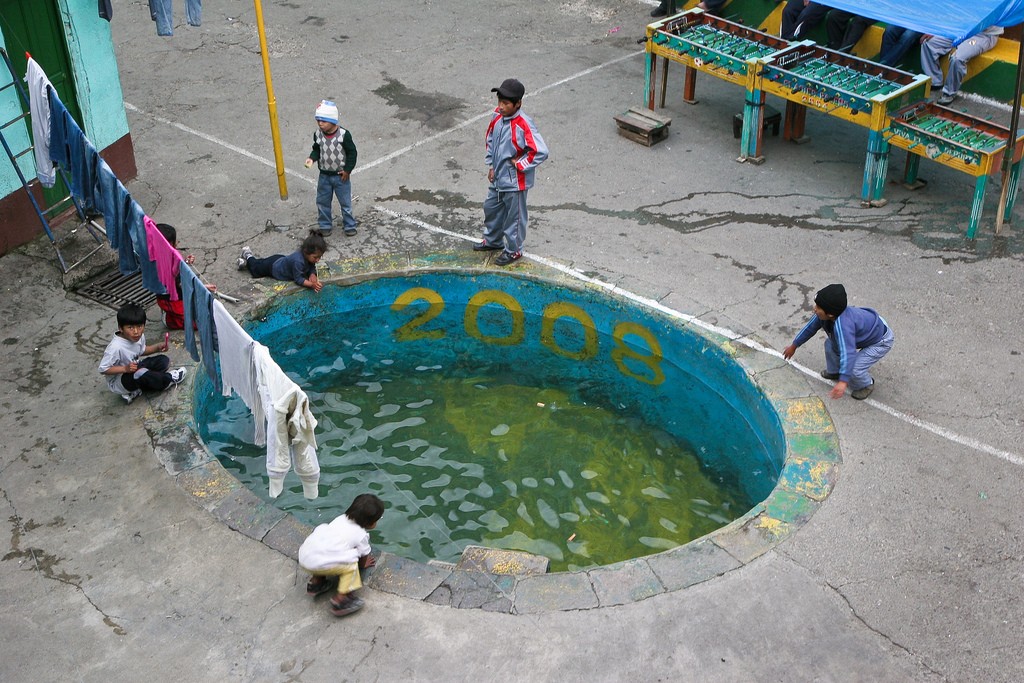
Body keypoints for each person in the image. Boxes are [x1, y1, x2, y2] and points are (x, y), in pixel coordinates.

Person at [473, 78, 548, 266]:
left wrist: (520, 164)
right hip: (498, 177)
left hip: (515, 182)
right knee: (491, 209)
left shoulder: (524, 124)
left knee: (514, 218)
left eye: (506, 103)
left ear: (518, 104)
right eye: (499, 102)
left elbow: (540, 151)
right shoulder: (497, 117)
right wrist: (491, 165)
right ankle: (492, 241)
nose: (501, 106)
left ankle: (514, 250)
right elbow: (490, 139)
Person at [782, 284, 894, 400]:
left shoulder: (844, 326)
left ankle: (866, 385)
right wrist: (794, 345)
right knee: (830, 344)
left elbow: (848, 353)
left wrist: (844, 381)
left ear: (830, 314)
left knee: (854, 368)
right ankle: (835, 371)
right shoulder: (825, 315)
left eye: (819, 307)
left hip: (880, 341)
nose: (814, 308)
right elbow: (809, 328)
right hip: (869, 329)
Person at [298, 493, 385, 617]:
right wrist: (363, 563)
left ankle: (316, 582)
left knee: (325, 551)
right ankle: (341, 600)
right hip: (320, 563)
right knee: (351, 566)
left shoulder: (340, 519)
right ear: (370, 523)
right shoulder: (361, 534)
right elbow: (364, 553)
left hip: (305, 556)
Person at [99, 302, 187, 404]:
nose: (136, 331)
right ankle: (168, 380)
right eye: (130, 327)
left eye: (140, 326)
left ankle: (141, 385)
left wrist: (157, 348)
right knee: (141, 373)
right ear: (120, 328)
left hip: (135, 368)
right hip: (119, 380)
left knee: (163, 361)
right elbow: (103, 369)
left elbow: (141, 350)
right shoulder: (115, 347)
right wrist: (125, 369)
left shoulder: (138, 336)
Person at [305, 100, 358, 236]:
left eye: (324, 121)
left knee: (345, 203)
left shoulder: (344, 135)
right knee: (322, 202)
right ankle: (325, 225)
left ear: (333, 121)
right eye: (318, 120)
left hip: (341, 176)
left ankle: (349, 225)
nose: (320, 124)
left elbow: (352, 153)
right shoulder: (318, 135)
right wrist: (312, 158)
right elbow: (317, 149)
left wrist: (347, 170)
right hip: (324, 176)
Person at [154, 223, 216, 329]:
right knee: (200, 322)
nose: (177, 243)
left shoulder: (162, 255)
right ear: (169, 245)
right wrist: (203, 287)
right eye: (175, 242)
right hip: (171, 301)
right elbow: (184, 285)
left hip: (178, 295)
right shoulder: (165, 266)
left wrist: (185, 262)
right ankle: (170, 320)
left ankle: (176, 315)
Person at [921, 25, 1003, 105]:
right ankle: (935, 81)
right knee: (928, 43)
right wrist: (938, 30)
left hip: (982, 34)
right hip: (960, 28)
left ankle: (949, 93)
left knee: (957, 58)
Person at [237, 230, 327, 293]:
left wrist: (312, 274)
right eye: (315, 257)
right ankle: (248, 255)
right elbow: (298, 279)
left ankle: (246, 262)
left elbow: (312, 266)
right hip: (273, 267)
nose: (318, 260)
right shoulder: (298, 262)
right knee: (256, 270)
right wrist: (312, 285)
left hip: (281, 260)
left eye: (320, 257)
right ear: (306, 252)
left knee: (261, 263)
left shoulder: (307, 257)